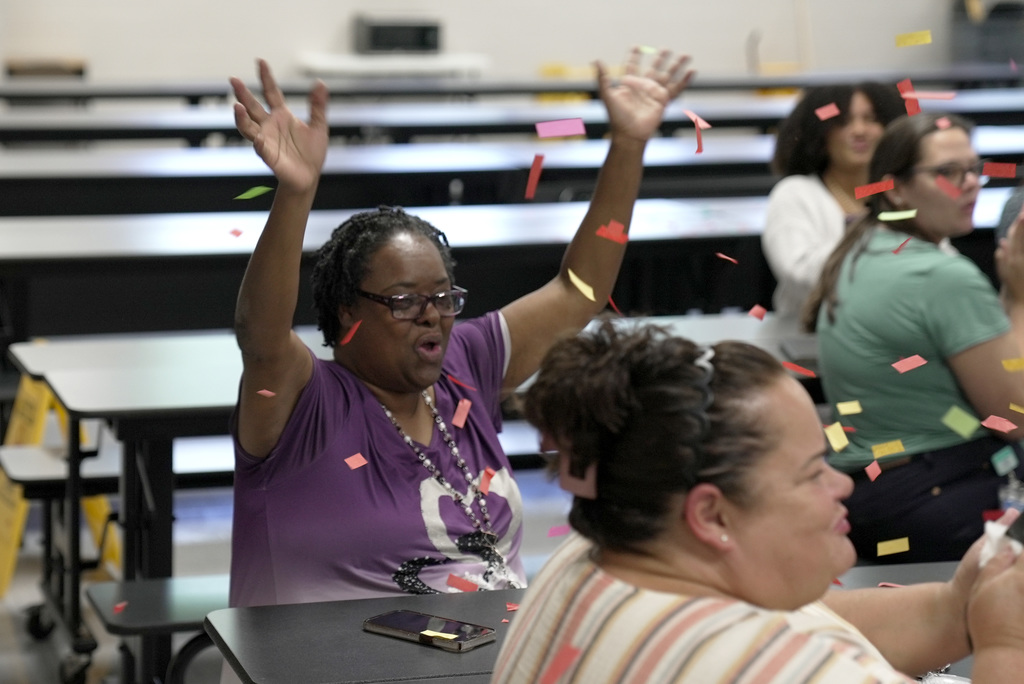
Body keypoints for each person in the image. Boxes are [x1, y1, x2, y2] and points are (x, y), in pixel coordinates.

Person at [225, 50, 694, 608]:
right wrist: (296, 194)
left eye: (444, 298)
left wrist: (629, 145)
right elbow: (261, 335)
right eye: (403, 301)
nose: (432, 315)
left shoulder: (464, 366)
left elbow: (580, 292)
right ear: (348, 312)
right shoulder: (304, 404)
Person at [490, 320, 1024, 684]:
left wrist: (959, 607)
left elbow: (808, 616)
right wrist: (1005, 648)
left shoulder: (596, 553)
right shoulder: (784, 669)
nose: (842, 486)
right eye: (812, 472)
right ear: (711, 515)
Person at [805, 112, 1024, 563]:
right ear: (895, 187)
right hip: (940, 502)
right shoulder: (941, 274)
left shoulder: (864, 248)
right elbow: (1012, 417)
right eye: (946, 172)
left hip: (872, 495)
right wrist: (1019, 299)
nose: (968, 184)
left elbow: (980, 359)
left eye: (973, 169)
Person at [761, 83, 904, 318]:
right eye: (844, 121)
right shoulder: (795, 193)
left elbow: (939, 261)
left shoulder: (902, 193)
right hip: (811, 334)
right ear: (819, 132)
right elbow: (798, 273)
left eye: (871, 119)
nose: (859, 130)